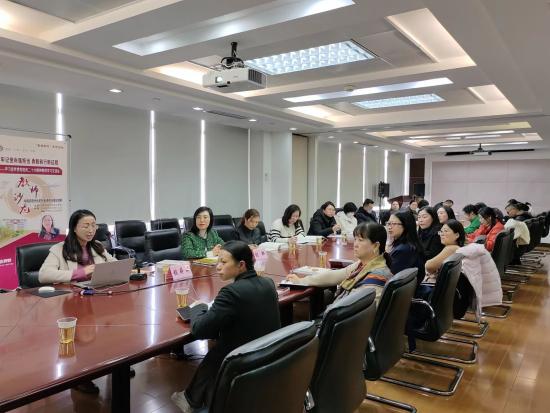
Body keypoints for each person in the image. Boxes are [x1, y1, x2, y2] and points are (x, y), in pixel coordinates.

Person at [171, 241, 281, 412]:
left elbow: (200, 330)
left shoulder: (231, 292)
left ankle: (191, 401)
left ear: (241, 265)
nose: (218, 266)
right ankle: (193, 397)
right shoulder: (268, 282)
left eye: (223, 262)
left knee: (219, 350)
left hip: (242, 359)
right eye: (218, 261)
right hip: (269, 352)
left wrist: (199, 308)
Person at [39, 209, 117, 395]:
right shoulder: (59, 249)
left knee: (110, 333)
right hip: (71, 303)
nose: (91, 230)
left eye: (93, 225)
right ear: (74, 228)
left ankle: (116, 365)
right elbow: (44, 274)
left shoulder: (97, 246)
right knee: (81, 338)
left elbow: (113, 264)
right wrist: (79, 273)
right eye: (86, 226)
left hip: (95, 299)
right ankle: (79, 375)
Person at [286, 223, 393, 303]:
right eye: (355, 239)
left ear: (376, 245)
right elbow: (335, 275)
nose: (355, 244)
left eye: (360, 240)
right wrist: (302, 281)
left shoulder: (376, 277)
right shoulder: (364, 264)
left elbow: (354, 312)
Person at [386, 211, 425, 282]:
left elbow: (390, 278)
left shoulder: (403, 250)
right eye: (388, 223)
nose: (389, 227)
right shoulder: (409, 244)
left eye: (393, 224)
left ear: (405, 225)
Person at [423, 219, 465, 284]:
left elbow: (429, 266)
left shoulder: (451, 248)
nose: (441, 234)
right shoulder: (455, 247)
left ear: (457, 235)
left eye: (445, 231)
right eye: (441, 231)